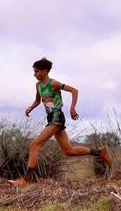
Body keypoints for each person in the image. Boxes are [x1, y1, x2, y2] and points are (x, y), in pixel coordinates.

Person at [10, 58, 112, 186]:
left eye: (36, 71)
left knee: (34, 145)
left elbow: (74, 91)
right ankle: (99, 152)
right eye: (34, 71)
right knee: (69, 151)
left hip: (57, 118)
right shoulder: (38, 85)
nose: (34, 74)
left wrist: (72, 108)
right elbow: (38, 100)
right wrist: (30, 107)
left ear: (45, 71)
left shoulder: (54, 84)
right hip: (51, 118)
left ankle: (26, 180)